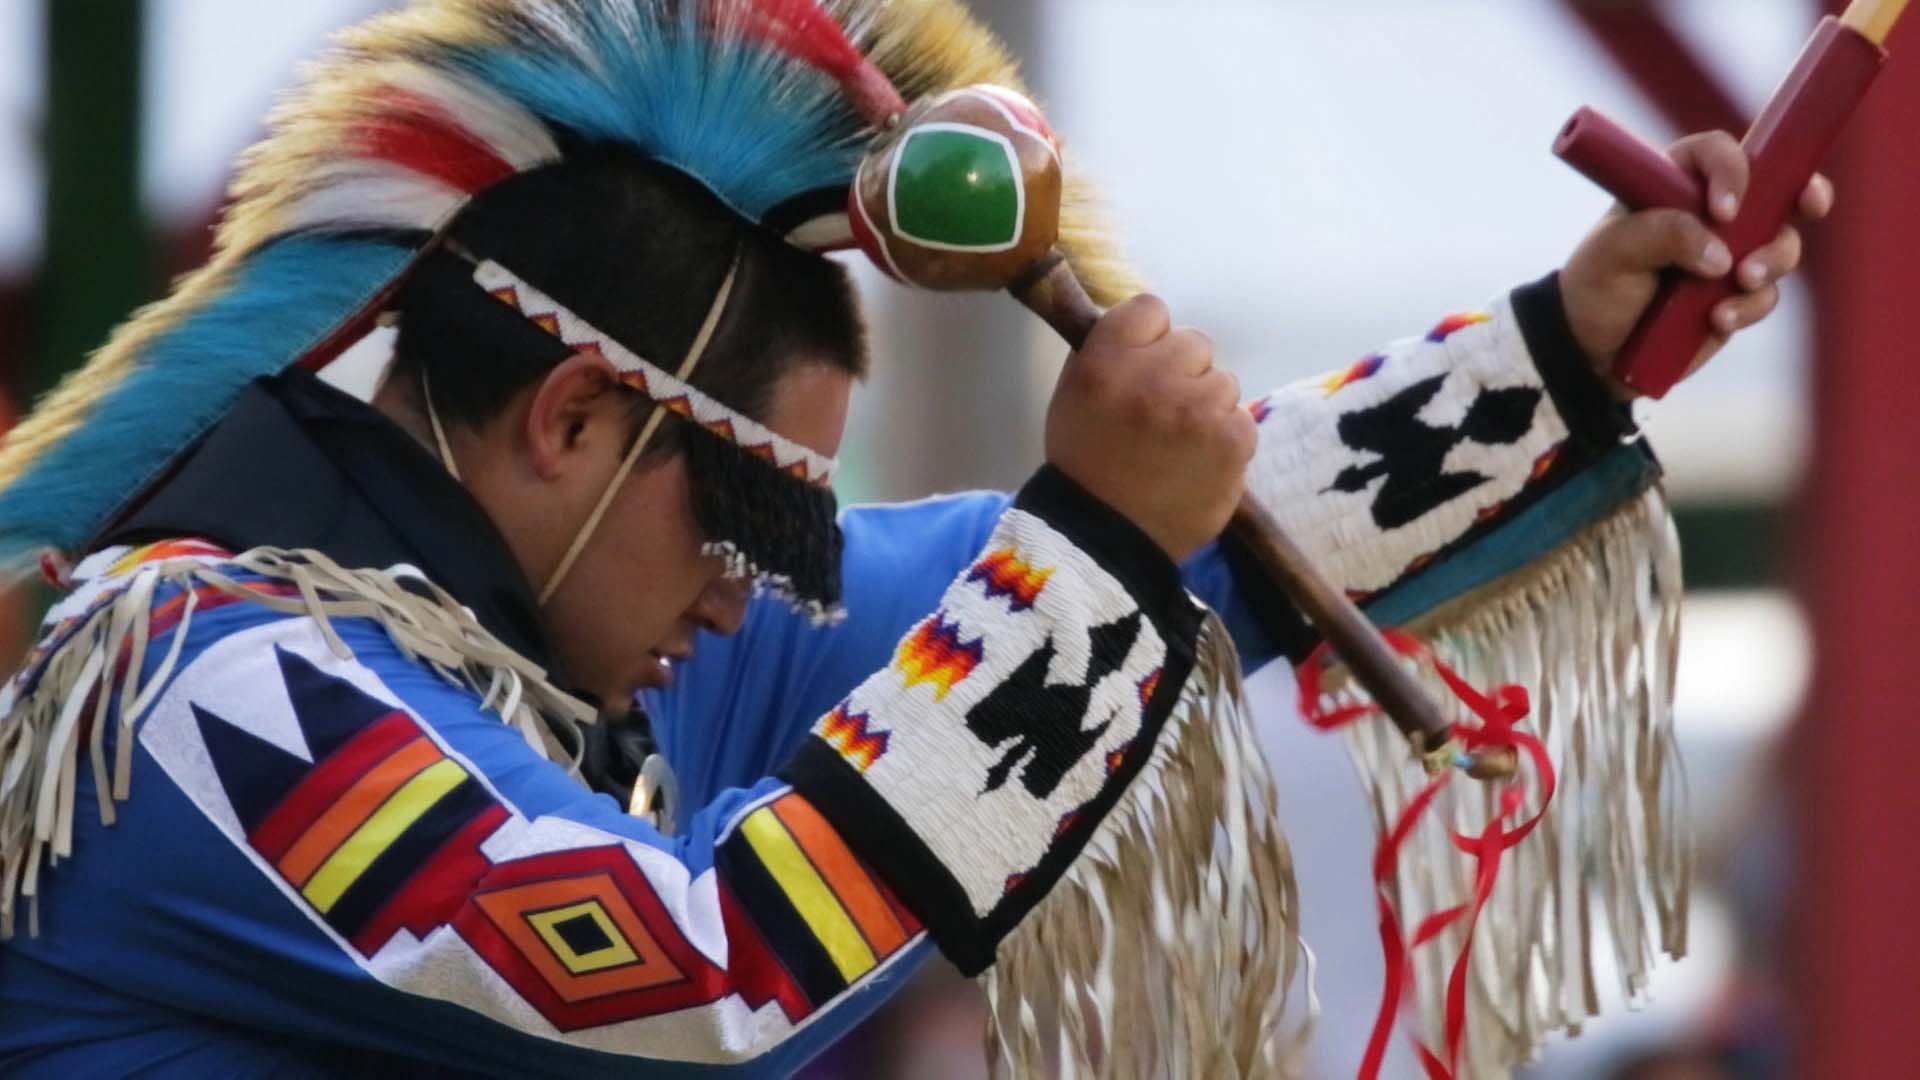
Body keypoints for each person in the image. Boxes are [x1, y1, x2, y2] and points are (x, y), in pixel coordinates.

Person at [0, 1, 1828, 1075]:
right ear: (568, 423)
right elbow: (689, 978)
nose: (760, 603)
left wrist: (1575, 338)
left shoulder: (606, 685)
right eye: (748, 525)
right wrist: (1095, 550)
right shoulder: (204, 677)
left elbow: (1190, 547)